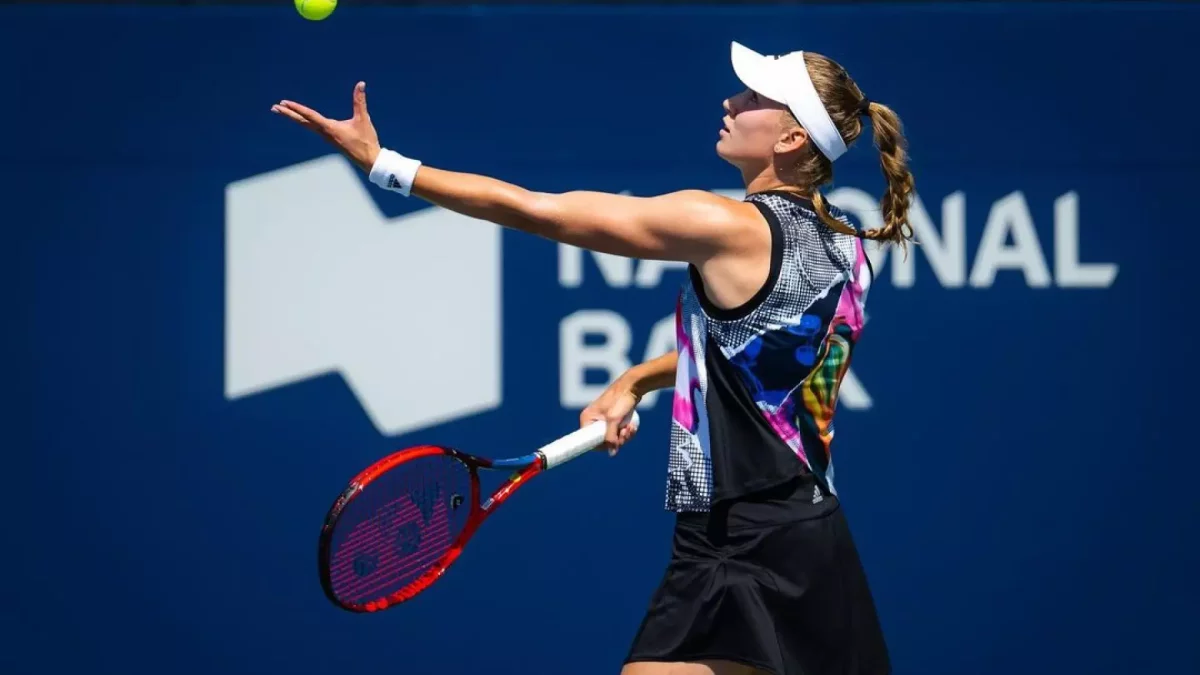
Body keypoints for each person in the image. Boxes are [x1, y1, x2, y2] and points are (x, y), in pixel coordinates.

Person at [274, 40, 913, 675]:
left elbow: (540, 211)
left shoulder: (723, 224)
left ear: (791, 139)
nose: (731, 101)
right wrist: (637, 378)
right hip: (801, 527)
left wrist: (385, 164)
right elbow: (763, 364)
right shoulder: (846, 245)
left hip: (745, 532)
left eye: (753, 98)